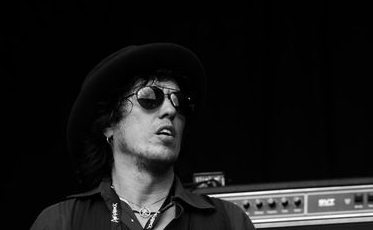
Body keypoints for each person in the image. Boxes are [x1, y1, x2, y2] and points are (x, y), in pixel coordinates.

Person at [30, 43, 255, 230]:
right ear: (108, 125)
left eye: (179, 101)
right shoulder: (60, 222)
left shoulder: (230, 222)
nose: (170, 110)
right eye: (149, 97)